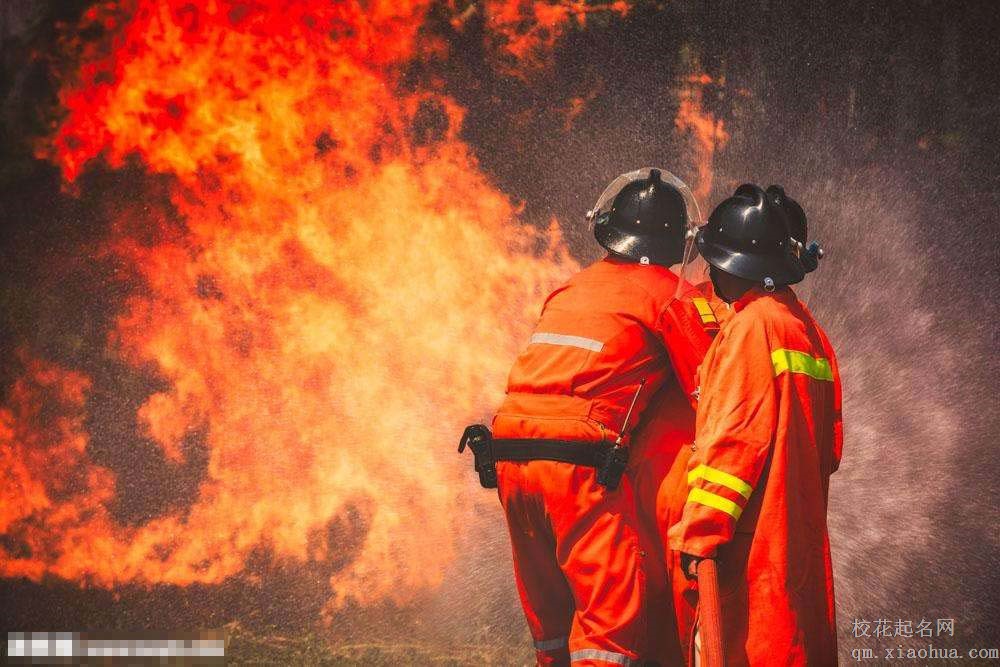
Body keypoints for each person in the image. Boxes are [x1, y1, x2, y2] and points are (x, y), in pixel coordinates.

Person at [463, 168, 715, 666]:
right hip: (579, 468)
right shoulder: (671, 296)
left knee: (550, 618)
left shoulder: (569, 289)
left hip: (507, 456)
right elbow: (711, 390)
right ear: (678, 241)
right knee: (607, 625)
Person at [666, 184, 842, 665]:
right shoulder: (805, 328)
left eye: (716, 261)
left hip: (749, 548)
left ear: (734, 264)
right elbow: (831, 449)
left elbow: (733, 444)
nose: (709, 272)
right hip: (797, 541)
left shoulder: (750, 328)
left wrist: (700, 531)